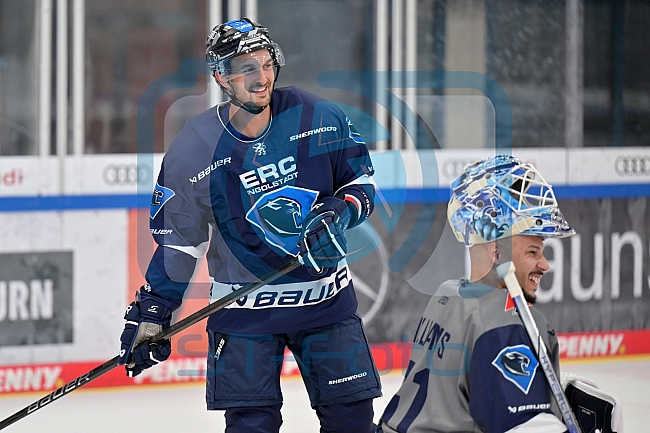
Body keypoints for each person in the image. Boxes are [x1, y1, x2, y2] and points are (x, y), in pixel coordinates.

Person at [117, 18, 381, 432]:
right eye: (246, 68)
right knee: (250, 426)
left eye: (267, 63)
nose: (262, 78)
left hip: (326, 305)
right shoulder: (195, 147)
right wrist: (156, 309)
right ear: (222, 77)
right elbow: (180, 244)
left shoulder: (319, 115)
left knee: (353, 421)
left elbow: (360, 185)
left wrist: (339, 212)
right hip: (244, 314)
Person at [376, 155, 577, 433]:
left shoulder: (448, 295)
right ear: (496, 251)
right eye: (533, 251)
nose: (544, 265)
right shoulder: (508, 325)